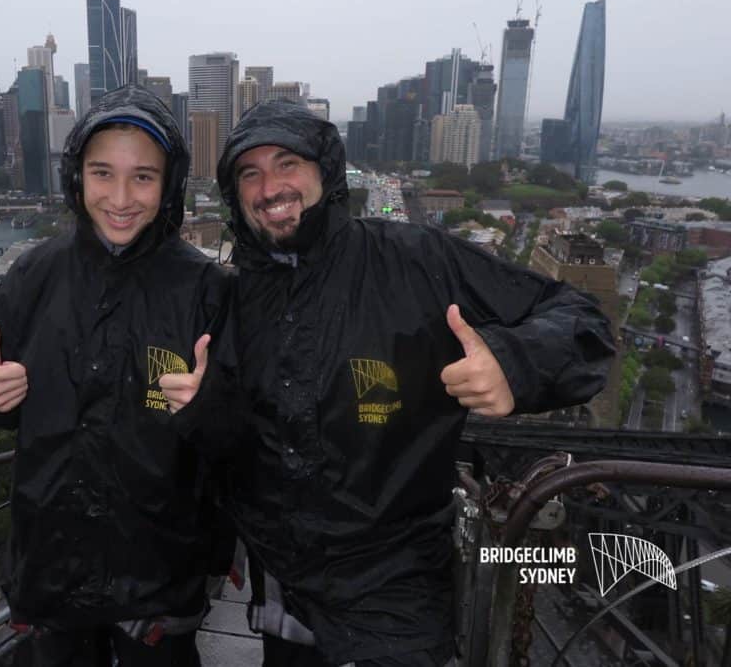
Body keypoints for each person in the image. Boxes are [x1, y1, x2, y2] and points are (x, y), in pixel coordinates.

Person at [164, 100, 616, 667]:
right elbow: (243, 442)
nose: (268, 186)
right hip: (285, 590)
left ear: (324, 173)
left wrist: (513, 362)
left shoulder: (414, 261)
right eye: (249, 174)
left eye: (287, 164)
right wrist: (205, 409)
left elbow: (581, 317)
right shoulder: (236, 300)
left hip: (397, 595)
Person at [0, 85, 228, 667]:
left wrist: (214, 406)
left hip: (158, 571)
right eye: (103, 173)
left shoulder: (204, 288)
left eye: (144, 178)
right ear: (77, 177)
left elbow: (243, 431)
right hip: (51, 566)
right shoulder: (35, 273)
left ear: (170, 184)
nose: (121, 198)